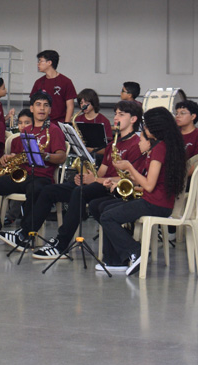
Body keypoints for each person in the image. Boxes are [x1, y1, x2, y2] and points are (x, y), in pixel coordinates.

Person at [31, 99, 148, 261]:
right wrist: (86, 177)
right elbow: (101, 172)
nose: (115, 118)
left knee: (80, 192)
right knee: (50, 190)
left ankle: (61, 243)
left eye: (121, 114)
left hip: (117, 189)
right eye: (115, 114)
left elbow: (130, 180)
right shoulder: (113, 144)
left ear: (133, 119)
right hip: (100, 184)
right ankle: (27, 233)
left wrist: (94, 180)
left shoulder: (136, 144)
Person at [96, 106, 190, 274]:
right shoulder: (167, 146)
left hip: (155, 204)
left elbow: (149, 185)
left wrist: (129, 167)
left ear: (155, 127)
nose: (144, 129)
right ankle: (114, 261)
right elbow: (154, 183)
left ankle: (135, 251)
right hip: (158, 202)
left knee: (108, 217)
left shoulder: (159, 148)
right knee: (107, 209)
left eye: (146, 126)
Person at [0, 92, 67, 247]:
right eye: (38, 105)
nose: (42, 109)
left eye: (46, 105)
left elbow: (62, 157)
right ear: (32, 108)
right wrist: (9, 157)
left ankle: (25, 234)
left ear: (50, 110)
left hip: (43, 176)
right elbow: (19, 154)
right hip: (23, 174)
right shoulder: (26, 131)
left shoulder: (54, 130)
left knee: (35, 190)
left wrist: (46, 156)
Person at [31, 49, 76, 122]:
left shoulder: (66, 82)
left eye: (40, 61)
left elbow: (70, 106)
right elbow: (32, 104)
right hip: (42, 123)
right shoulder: (38, 82)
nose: (38, 64)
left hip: (59, 123)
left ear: (49, 62)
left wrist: (66, 124)